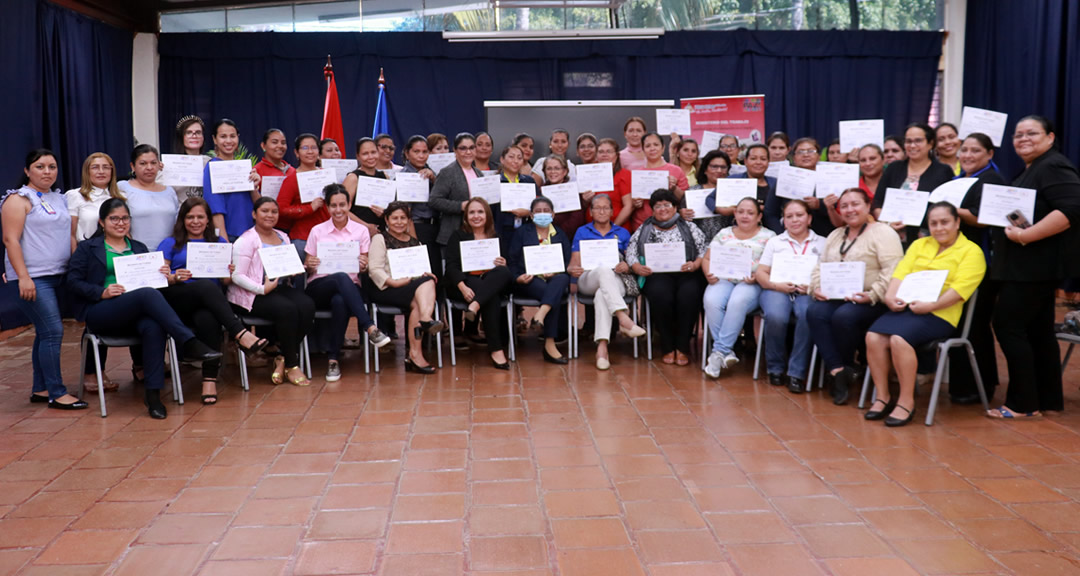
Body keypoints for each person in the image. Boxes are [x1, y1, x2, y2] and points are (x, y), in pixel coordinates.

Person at [68, 198, 223, 418]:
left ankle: (153, 396)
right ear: (102, 222)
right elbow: (72, 282)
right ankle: (188, 341)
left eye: (124, 218)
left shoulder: (138, 248)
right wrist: (101, 292)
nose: (120, 223)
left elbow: (151, 282)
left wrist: (162, 277)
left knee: (153, 325)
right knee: (147, 294)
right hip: (101, 310)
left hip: (134, 310)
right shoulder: (87, 248)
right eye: (114, 219)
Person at [987, 115, 1080, 419]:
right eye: (1018, 134)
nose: (1023, 138)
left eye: (1032, 133)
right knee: (1038, 331)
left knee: (1008, 326)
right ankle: (1046, 399)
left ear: (1050, 137)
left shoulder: (1052, 165)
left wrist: (1025, 236)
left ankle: (1022, 404)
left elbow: (1070, 209)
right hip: (1031, 267)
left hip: (1032, 267)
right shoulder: (1033, 168)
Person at [865, 202, 985, 426]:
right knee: (873, 336)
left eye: (945, 222)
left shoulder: (972, 251)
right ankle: (882, 396)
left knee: (899, 340)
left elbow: (960, 291)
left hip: (940, 314)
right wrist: (891, 297)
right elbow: (901, 273)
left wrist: (931, 306)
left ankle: (906, 401)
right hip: (909, 307)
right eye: (934, 223)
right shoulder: (920, 244)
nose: (939, 228)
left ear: (957, 222)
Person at [158, 198, 270, 404]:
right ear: (182, 220)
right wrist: (174, 276)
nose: (195, 221)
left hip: (210, 304)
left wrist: (229, 273)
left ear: (208, 220)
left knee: (208, 318)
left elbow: (225, 281)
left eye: (200, 217)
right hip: (178, 299)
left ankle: (209, 381)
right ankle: (241, 333)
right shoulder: (170, 243)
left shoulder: (219, 244)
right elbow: (160, 277)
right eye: (190, 217)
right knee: (205, 286)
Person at [3, 149, 85, 410]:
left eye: (52, 166)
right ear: (27, 171)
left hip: (58, 275)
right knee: (53, 331)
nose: (47, 171)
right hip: (34, 278)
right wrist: (23, 276)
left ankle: (40, 388)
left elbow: (68, 236)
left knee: (44, 332)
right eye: (40, 167)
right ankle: (57, 393)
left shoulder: (59, 198)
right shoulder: (18, 199)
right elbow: (10, 240)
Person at [807, 188, 903, 405]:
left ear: (868, 206)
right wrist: (817, 288)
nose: (849, 210)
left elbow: (894, 271)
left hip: (872, 300)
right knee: (815, 311)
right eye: (845, 206)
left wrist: (872, 295)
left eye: (855, 204)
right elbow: (818, 268)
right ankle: (838, 370)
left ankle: (845, 367)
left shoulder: (884, 232)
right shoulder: (835, 235)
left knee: (844, 316)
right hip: (836, 296)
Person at [303, 184, 392, 381]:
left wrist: (363, 264)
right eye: (333, 205)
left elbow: (364, 266)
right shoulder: (317, 230)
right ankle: (370, 328)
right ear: (327, 207)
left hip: (349, 291)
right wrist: (309, 264)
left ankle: (333, 360)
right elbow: (308, 266)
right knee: (341, 277)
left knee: (340, 301)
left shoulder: (360, 231)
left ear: (349, 204)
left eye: (342, 205)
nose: (338, 210)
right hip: (319, 288)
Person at [227, 197, 315, 386]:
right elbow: (237, 276)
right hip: (251, 294)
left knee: (307, 305)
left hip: (279, 288)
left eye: (274, 211)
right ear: (254, 214)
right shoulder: (246, 240)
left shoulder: (283, 236)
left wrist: (295, 269)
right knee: (288, 309)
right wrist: (262, 289)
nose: (270, 215)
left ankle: (282, 358)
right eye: (264, 211)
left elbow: (285, 267)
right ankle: (293, 365)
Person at [950, 133, 1005, 403]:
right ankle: (963, 386)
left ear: (989, 154)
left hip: (982, 263)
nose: (968, 155)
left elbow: (985, 220)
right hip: (957, 260)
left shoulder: (992, 180)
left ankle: (981, 385)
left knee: (976, 326)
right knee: (961, 325)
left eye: (975, 150)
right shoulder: (958, 180)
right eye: (964, 150)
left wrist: (948, 210)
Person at [626, 189, 707, 365]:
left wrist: (695, 264)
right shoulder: (644, 229)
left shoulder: (689, 226)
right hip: (657, 275)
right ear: (653, 210)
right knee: (661, 295)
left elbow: (703, 251)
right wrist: (637, 267)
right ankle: (668, 346)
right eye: (658, 206)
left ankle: (683, 347)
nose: (662, 209)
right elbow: (631, 252)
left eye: (666, 205)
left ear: (675, 207)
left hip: (687, 272)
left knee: (689, 294)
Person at [755, 199, 826, 393]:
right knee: (776, 316)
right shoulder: (775, 242)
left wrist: (812, 287)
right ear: (783, 221)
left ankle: (796, 373)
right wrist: (776, 285)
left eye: (799, 215)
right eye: (789, 216)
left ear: (809, 218)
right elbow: (761, 273)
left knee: (807, 316)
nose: (795, 220)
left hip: (807, 292)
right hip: (776, 289)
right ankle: (775, 368)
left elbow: (829, 275)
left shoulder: (822, 243)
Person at [567, 194, 645, 370]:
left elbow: (633, 261)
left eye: (605, 208)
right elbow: (573, 264)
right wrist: (573, 270)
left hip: (616, 280)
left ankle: (602, 350)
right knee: (602, 270)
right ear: (591, 212)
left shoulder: (622, 233)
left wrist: (627, 265)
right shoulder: (582, 231)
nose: (601, 211)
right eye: (597, 208)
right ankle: (624, 318)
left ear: (611, 211)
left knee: (603, 294)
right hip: (589, 278)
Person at [367, 201, 444, 374]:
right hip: (386, 288)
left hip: (409, 287)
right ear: (386, 220)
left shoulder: (414, 242)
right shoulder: (380, 239)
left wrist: (426, 273)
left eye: (403, 218)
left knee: (424, 290)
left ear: (409, 220)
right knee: (425, 287)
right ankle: (425, 322)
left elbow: (419, 269)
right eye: (395, 218)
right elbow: (374, 269)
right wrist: (392, 282)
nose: (399, 222)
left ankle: (415, 355)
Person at [702, 198, 776, 378]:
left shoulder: (770, 237)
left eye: (750, 213)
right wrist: (708, 274)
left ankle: (719, 352)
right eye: (741, 211)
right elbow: (707, 259)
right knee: (711, 300)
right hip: (723, 278)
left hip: (751, 282)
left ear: (759, 217)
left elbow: (774, 266)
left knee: (738, 301)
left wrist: (757, 276)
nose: (745, 216)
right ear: (734, 214)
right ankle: (726, 353)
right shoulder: (724, 233)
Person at [444, 197, 514, 369]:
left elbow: (506, 266)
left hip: (489, 280)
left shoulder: (495, 237)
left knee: (503, 271)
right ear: (466, 216)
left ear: (487, 215)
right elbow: (451, 267)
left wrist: (502, 262)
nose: (476, 216)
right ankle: (496, 350)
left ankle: (474, 306)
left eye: (480, 212)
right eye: (472, 212)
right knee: (491, 297)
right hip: (464, 283)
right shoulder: (458, 235)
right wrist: (462, 286)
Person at [508, 197, 572, 364]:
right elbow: (512, 261)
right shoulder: (522, 232)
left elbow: (567, 262)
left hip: (554, 278)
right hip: (529, 280)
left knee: (562, 278)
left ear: (553, 213)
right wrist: (518, 278)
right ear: (531, 214)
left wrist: (556, 270)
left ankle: (541, 314)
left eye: (546, 211)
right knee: (551, 294)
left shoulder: (559, 233)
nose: (542, 214)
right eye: (538, 211)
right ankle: (549, 344)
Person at [872, 123, 955, 244]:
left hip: (930, 239)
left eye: (918, 141)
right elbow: (877, 203)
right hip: (892, 238)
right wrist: (887, 222)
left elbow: (949, 208)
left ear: (930, 143)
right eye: (908, 141)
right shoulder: (894, 168)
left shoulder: (943, 171)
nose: (912, 145)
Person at [615, 132, 689, 233]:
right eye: (648, 146)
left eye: (656, 145)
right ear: (643, 150)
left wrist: (674, 188)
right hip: (642, 225)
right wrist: (636, 203)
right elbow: (630, 201)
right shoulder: (636, 174)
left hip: (671, 226)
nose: (652, 148)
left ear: (663, 148)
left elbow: (685, 200)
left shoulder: (676, 170)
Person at [203, 119, 263, 241]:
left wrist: (254, 186)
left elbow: (259, 205)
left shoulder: (243, 167)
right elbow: (216, 209)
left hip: (251, 235)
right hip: (231, 235)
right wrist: (224, 242)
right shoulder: (212, 167)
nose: (228, 141)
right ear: (215, 139)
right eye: (223, 136)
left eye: (232, 136)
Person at [276, 133, 329, 255]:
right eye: (305, 148)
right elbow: (281, 209)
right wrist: (310, 208)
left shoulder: (326, 175)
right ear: (296, 153)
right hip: (303, 239)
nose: (310, 152)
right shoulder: (291, 179)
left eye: (314, 148)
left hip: (328, 237)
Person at [122, 144, 180, 255]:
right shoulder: (124, 188)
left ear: (159, 165)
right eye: (143, 163)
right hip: (136, 255)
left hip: (168, 255)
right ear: (133, 166)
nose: (149, 167)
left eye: (153, 163)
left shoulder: (170, 191)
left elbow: (177, 224)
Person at [431, 133, 484, 247]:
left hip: (475, 233)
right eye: (463, 148)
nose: (468, 152)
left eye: (471, 148)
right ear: (455, 151)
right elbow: (434, 200)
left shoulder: (479, 173)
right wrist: (460, 206)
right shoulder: (447, 172)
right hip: (453, 232)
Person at [400, 135, 442, 273]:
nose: (421, 156)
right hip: (418, 227)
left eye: (425, 152)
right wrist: (413, 239)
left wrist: (433, 178)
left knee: (437, 268)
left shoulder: (431, 171)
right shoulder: (405, 176)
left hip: (435, 226)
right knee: (426, 270)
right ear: (407, 153)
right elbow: (405, 211)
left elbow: (443, 193)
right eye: (416, 152)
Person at [786, 137, 842, 237]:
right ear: (794, 157)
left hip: (828, 235)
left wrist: (819, 205)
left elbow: (841, 210)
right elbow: (771, 212)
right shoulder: (786, 178)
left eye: (811, 151)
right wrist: (781, 231)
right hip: (790, 238)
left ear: (819, 156)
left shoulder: (832, 178)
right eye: (800, 152)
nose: (806, 155)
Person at [66, 153, 124, 243]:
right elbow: (71, 235)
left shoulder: (121, 197)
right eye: (95, 167)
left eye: (106, 167)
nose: (101, 171)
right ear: (87, 171)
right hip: (87, 252)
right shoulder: (75, 195)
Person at [343, 137, 388, 238]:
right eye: (365, 154)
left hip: (381, 232)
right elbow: (343, 209)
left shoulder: (384, 176)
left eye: (373, 152)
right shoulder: (353, 178)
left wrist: (385, 213)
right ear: (358, 156)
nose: (370, 157)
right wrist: (366, 226)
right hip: (358, 233)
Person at [496, 145, 537, 254]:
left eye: (519, 158)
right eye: (511, 157)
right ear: (502, 159)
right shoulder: (495, 182)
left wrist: (529, 213)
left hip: (525, 229)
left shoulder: (529, 181)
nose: (516, 161)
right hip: (501, 231)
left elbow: (538, 205)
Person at [735, 144, 782, 233]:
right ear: (745, 161)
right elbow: (710, 199)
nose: (758, 162)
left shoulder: (776, 183)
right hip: (740, 234)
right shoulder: (733, 180)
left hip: (772, 233)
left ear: (768, 162)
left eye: (763, 159)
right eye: (753, 158)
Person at [690, 150, 733, 240]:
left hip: (728, 242)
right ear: (705, 169)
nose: (719, 170)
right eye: (714, 167)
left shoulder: (734, 191)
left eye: (723, 167)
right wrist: (683, 214)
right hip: (698, 243)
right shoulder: (693, 191)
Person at [543, 155, 587, 241]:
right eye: (549, 168)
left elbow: (576, 220)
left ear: (565, 171)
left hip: (568, 238)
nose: (553, 172)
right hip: (546, 238)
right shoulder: (541, 192)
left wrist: (558, 234)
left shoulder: (573, 191)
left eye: (557, 168)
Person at [591, 138, 626, 223]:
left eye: (609, 151)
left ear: (616, 156)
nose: (604, 154)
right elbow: (585, 205)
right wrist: (585, 200)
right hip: (591, 228)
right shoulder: (588, 173)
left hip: (618, 227)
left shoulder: (625, 175)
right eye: (601, 152)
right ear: (596, 155)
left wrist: (613, 228)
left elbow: (628, 206)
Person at [172, 115, 207, 201]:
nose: (194, 136)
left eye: (198, 132)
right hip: (181, 212)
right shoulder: (172, 163)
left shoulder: (209, 162)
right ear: (181, 137)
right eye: (189, 132)